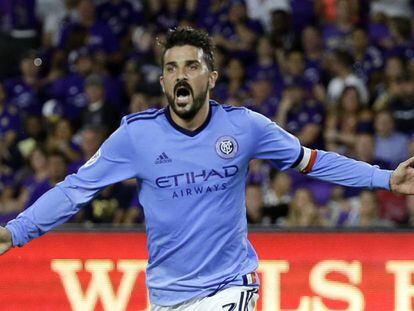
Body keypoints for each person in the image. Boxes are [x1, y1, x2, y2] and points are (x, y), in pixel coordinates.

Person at [1, 26, 414, 310]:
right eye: (171, 68)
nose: (180, 75)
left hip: (229, 288)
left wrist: (384, 178)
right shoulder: (135, 137)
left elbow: (312, 160)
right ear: (163, 83)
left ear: (211, 77)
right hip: (165, 295)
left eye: (192, 66)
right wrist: (15, 231)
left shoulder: (245, 127)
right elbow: (75, 190)